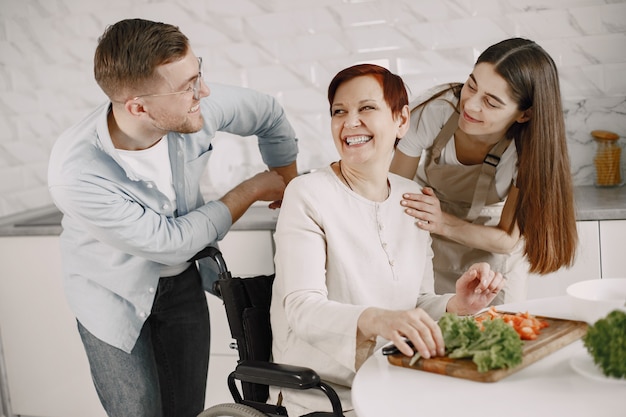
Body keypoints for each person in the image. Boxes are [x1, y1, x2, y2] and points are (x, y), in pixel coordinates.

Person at [47, 18, 298, 417]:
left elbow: (268, 113)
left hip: (183, 284)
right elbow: (171, 243)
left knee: (187, 408)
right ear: (138, 107)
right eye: (188, 87)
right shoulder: (76, 173)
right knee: (139, 411)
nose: (205, 92)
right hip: (111, 296)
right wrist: (252, 190)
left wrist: (288, 181)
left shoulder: (193, 110)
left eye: (199, 74)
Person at [269, 64, 505, 416]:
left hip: (400, 385)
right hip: (327, 396)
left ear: (401, 120)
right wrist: (377, 320)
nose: (350, 123)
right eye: (339, 112)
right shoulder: (307, 194)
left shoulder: (413, 198)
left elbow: (417, 301)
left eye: (366, 108)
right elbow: (302, 309)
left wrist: (456, 306)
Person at [390, 38, 578, 304]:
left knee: (499, 334)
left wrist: (442, 222)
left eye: (491, 102)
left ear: (524, 114)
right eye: (471, 85)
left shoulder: (529, 150)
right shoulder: (438, 110)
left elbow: (506, 239)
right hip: (427, 236)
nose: (470, 105)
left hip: (492, 248)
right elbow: (394, 190)